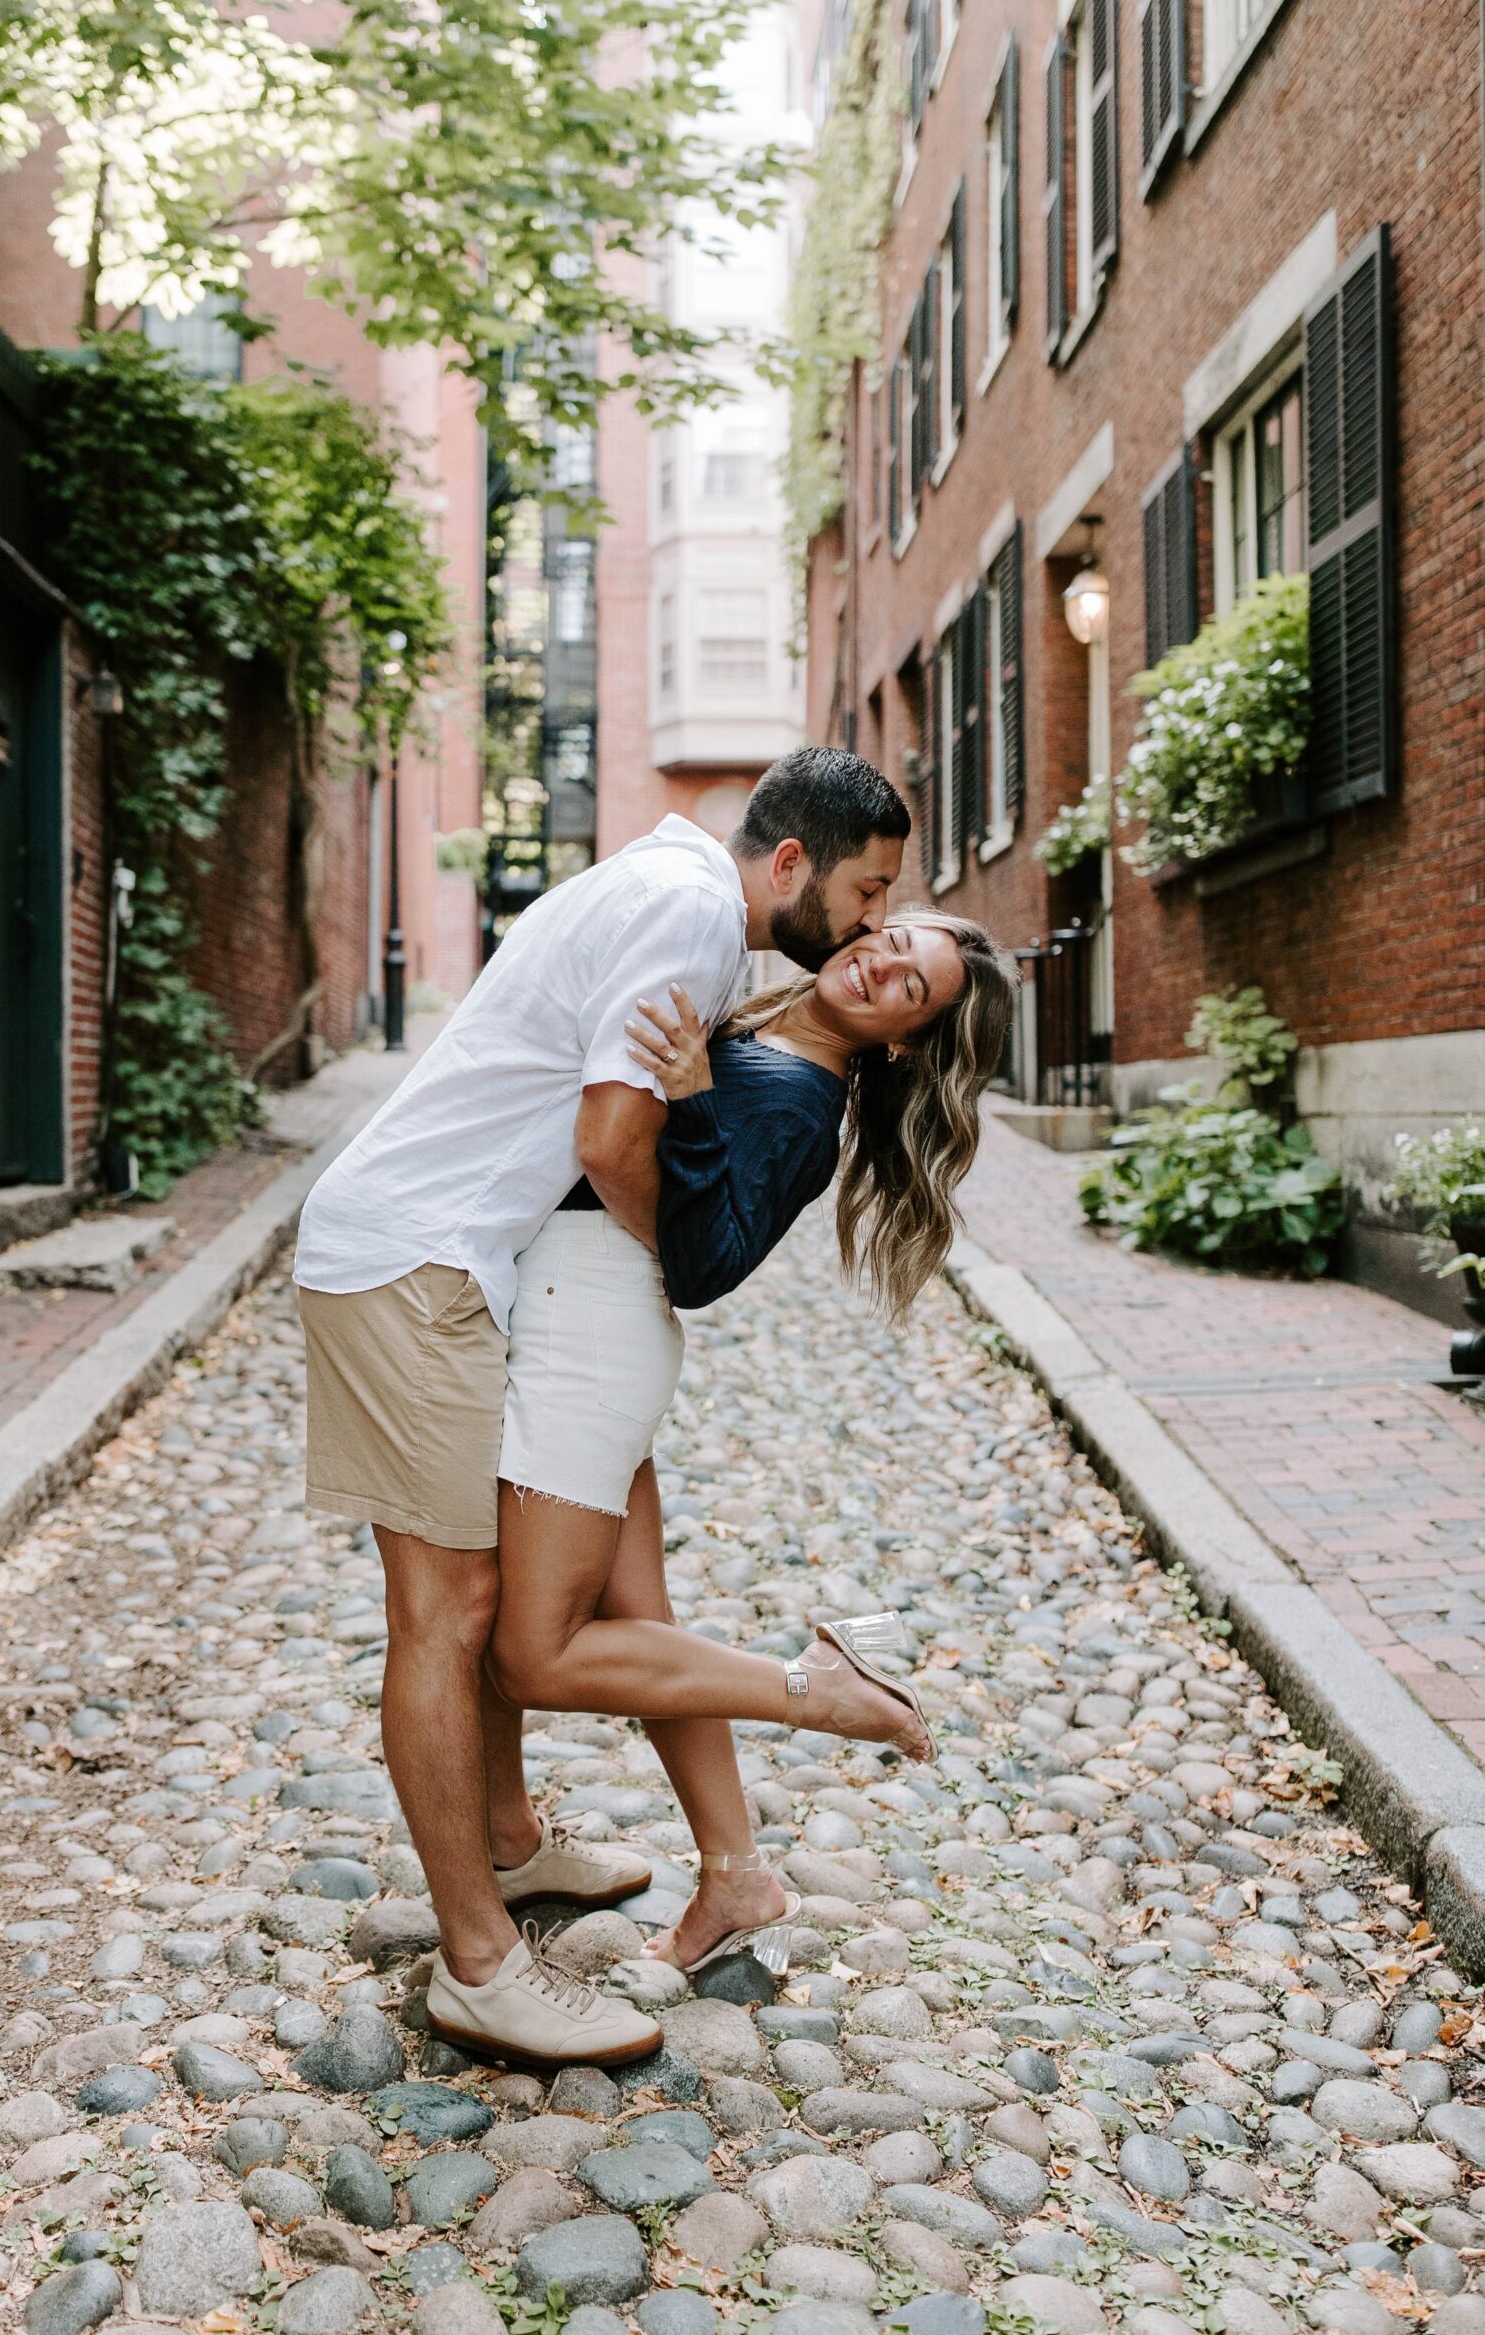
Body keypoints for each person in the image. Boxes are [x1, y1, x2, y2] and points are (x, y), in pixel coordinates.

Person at [293, 748, 911, 2065]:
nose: (866, 928)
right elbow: (604, 1144)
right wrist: (663, 1256)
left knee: (490, 1608)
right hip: (412, 1256)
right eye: (864, 896)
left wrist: (665, 1233)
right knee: (449, 1616)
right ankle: (479, 1967)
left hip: (450, 1260)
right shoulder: (691, 913)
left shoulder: (672, 887)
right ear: (791, 863)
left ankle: (508, 1852)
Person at [488, 911, 1017, 1974]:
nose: (878, 961)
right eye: (893, 936)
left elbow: (707, 1260)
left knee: (532, 1650)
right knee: (644, 1626)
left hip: (590, 1339)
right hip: (585, 1327)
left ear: (904, 1040)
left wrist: (686, 1096)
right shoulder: (773, 1030)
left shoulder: (796, 1099)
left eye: (908, 984)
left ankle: (812, 1689)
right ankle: (735, 1877)